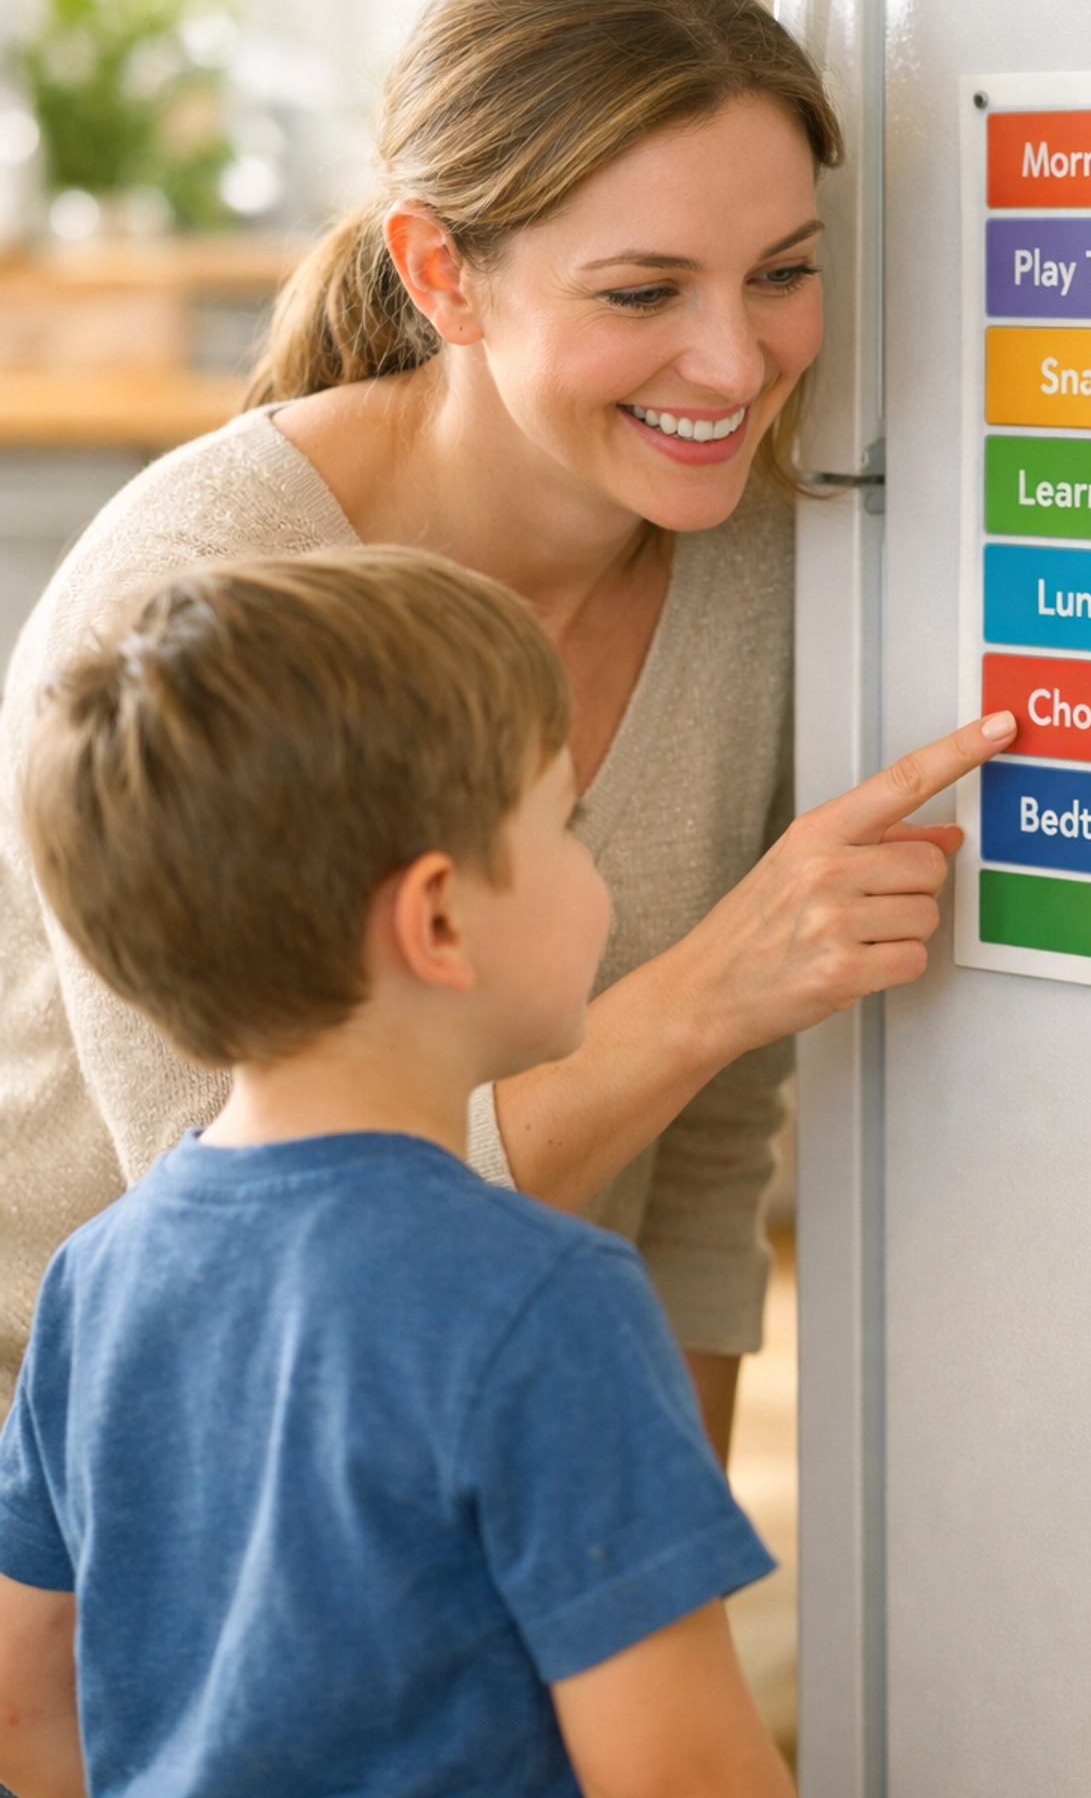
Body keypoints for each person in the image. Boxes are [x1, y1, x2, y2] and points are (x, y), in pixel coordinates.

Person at [0, 0, 997, 1450]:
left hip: (462, 1437)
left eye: (781, 273)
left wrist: (668, 1560)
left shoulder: (741, 559)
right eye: (644, 291)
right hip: (127, 1469)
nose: (735, 366)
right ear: (441, 275)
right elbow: (258, 1240)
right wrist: (703, 990)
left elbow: (707, 1155)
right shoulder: (207, 591)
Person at [0, 548, 806, 1797]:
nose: (596, 871)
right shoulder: (549, 1304)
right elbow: (686, 1775)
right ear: (437, 921)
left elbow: (20, 1709)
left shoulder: (93, 1280)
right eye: (565, 825)